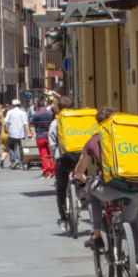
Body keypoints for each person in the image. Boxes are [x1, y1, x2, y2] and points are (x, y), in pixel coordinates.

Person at [73, 107, 138, 277]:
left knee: (91, 192)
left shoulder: (94, 140)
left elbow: (80, 168)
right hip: (133, 191)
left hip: (108, 190)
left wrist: (79, 176)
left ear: (99, 124)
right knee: (132, 221)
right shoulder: (129, 137)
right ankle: (136, 262)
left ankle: (96, 236)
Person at [48, 95, 75, 229]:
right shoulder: (79, 121)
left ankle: (63, 218)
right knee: (82, 183)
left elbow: (52, 143)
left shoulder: (56, 122)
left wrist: (55, 157)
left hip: (62, 159)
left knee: (60, 188)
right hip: (79, 158)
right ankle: (79, 200)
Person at [30, 99, 56, 178]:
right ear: (45, 105)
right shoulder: (51, 113)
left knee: (44, 155)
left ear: (38, 106)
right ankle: (53, 172)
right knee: (51, 154)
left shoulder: (36, 115)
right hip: (50, 137)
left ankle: (46, 173)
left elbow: (31, 123)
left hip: (40, 137)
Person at [4, 99, 29, 170]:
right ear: (19, 105)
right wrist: (29, 133)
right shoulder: (23, 113)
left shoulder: (9, 112)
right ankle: (21, 163)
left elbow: (5, 122)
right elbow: (25, 124)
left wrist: (6, 130)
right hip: (21, 134)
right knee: (21, 149)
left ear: (13, 105)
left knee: (11, 147)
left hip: (12, 134)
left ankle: (15, 159)